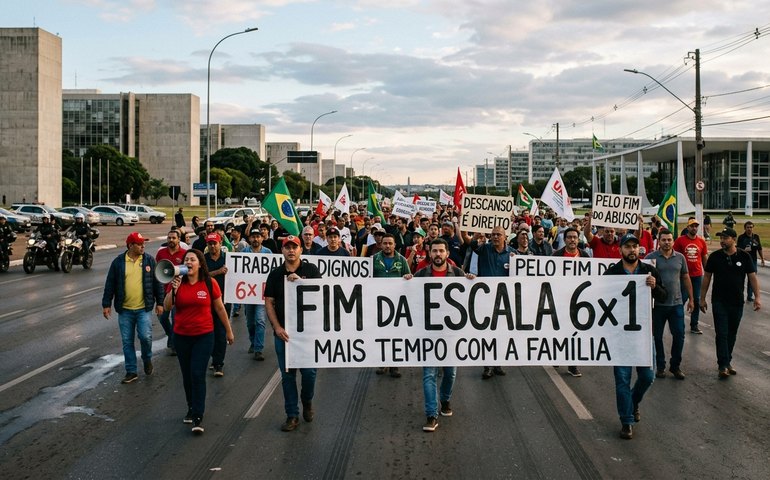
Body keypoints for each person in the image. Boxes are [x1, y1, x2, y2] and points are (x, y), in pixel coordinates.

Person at [403, 238, 475, 432]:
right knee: (429, 374)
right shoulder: (421, 275)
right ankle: (431, 415)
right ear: (430, 253)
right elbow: (408, 297)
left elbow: (470, 298)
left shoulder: (458, 274)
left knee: (450, 373)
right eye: (434, 251)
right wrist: (407, 282)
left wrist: (471, 281)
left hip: (451, 333)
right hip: (428, 332)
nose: (438, 254)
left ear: (447, 254)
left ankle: (445, 400)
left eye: (441, 251)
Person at [604, 233, 667, 440]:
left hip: (642, 335)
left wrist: (654, 285)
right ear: (620, 250)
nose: (632, 250)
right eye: (627, 247)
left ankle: (633, 402)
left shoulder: (648, 270)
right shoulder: (612, 273)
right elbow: (600, 298)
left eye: (635, 246)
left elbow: (663, 295)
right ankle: (627, 421)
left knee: (648, 376)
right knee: (622, 379)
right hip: (620, 335)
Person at [164, 249, 234, 434]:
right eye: (186, 259)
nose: (188, 262)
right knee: (187, 376)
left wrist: (228, 331)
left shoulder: (209, 284)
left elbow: (219, 308)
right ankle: (190, 407)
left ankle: (198, 415)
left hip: (204, 335)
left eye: (192, 259)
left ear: (200, 264)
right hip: (181, 336)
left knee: (197, 373)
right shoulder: (177, 283)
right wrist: (174, 289)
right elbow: (166, 306)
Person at [264, 235, 323, 432]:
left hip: (307, 334)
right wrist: (277, 327)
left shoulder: (311, 270)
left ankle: (307, 400)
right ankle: (292, 415)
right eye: (287, 247)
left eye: (294, 247)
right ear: (282, 251)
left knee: (310, 373)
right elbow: (269, 302)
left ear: (300, 250)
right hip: (284, 334)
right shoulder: (275, 274)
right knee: (287, 376)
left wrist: (300, 283)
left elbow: (322, 295)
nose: (291, 250)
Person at [102, 232, 165, 384]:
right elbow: (110, 283)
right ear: (130, 245)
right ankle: (131, 371)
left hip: (144, 309)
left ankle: (147, 358)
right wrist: (106, 304)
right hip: (125, 310)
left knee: (145, 337)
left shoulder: (149, 260)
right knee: (127, 341)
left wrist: (160, 303)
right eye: (139, 243)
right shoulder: (118, 262)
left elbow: (157, 283)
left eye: (144, 243)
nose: (143, 246)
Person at [700, 228, 761, 378]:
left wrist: (758, 297)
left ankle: (727, 361)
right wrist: (702, 298)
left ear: (733, 239)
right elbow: (707, 277)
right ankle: (722, 365)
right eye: (721, 238)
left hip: (737, 302)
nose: (722, 241)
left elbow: (752, 277)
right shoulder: (715, 257)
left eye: (725, 238)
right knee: (722, 333)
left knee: (732, 334)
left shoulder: (744, 256)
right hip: (719, 301)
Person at [464, 225, 512, 379]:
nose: (495, 237)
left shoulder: (512, 255)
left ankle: (497, 363)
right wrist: (476, 234)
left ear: (505, 236)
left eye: (498, 234)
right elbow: (469, 244)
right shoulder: (484, 249)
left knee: (500, 334)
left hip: (504, 301)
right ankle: (487, 366)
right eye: (493, 235)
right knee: (487, 334)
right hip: (485, 299)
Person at [645, 229, 694, 380]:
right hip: (657, 305)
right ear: (658, 241)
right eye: (664, 240)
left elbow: (685, 277)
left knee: (679, 335)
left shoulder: (680, 258)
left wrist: (692, 299)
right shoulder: (650, 258)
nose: (667, 242)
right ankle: (660, 366)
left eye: (669, 240)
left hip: (676, 304)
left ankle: (675, 366)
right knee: (657, 337)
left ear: (673, 241)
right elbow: (642, 279)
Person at [372, 233, 412, 378]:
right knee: (381, 334)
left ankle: (395, 364)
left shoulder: (402, 260)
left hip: (397, 304)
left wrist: (408, 278)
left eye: (390, 243)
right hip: (378, 303)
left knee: (396, 335)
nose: (387, 246)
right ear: (380, 245)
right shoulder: (373, 260)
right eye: (385, 243)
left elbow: (408, 277)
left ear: (395, 245)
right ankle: (383, 362)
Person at [552, 227, 589, 377]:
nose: (572, 240)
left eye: (575, 237)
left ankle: (572, 364)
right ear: (565, 239)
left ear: (578, 239)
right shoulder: (556, 256)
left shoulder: (585, 256)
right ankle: (556, 354)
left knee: (575, 333)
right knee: (559, 330)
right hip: (560, 299)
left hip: (578, 301)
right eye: (569, 237)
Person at [673, 218, 709, 334]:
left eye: (696, 226)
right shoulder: (680, 241)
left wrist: (708, 271)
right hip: (683, 275)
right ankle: (678, 324)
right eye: (692, 226)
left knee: (697, 301)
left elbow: (704, 258)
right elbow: (675, 257)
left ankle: (694, 325)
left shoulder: (701, 242)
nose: (694, 228)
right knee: (682, 299)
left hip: (697, 275)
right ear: (687, 227)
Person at [156, 229, 187, 355]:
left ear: (179, 239)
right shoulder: (161, 253)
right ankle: (171, 335)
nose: (171, 240)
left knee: (175, 319)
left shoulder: (184, 253)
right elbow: (157, 271)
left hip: (178, 291)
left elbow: (187, 270)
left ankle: (174, 345)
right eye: (169, 238)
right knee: (162, 317)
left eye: (174, 238)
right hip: (164, 291)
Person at [243, 227, 271, 360]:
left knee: (260, 320)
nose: (255, 239)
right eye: (253, 236)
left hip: (261, 294)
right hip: (247, 294)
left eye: (258, 236)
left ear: (262, 238)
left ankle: (258, 349)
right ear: (249, 238)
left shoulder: (268, 253)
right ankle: (253, 341)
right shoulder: (243, 252)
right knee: (250, 323)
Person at [204, 233, 229, 376]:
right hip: (206, 301)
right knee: (209, 332)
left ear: (220, 244)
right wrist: (218, 272)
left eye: (215, 243)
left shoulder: (228, 259)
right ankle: (214, 358)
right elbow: (202, 276)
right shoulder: (203, 260)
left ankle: (219, 363)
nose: (212, 246)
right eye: (210, 243)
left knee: (220, 332)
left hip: (224, 300)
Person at [737, 221, 765, 302]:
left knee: (752, 279)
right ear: (745, 228)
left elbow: (759, 248)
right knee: (741, 278)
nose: (749, 229)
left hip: (753, 261)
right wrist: (745, 249)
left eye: (751, 227)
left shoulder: (756, 237)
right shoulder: (741, 237)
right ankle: (740, 295)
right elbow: (738, 249)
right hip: (742, 261)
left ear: (753, 228)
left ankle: (750, 296)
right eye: (748, 227)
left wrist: (762, 259)